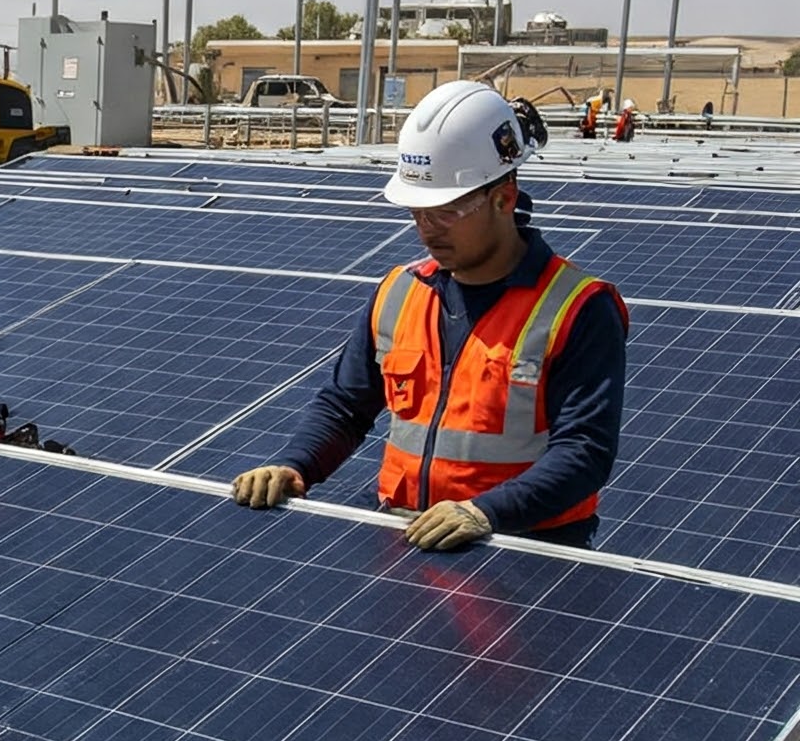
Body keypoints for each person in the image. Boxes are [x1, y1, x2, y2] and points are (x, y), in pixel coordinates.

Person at [230, 80, 628, 552]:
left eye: (445, 212)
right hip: (408, 539)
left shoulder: (577, 308)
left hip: (521, 551)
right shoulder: (400, 292)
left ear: (503, 198)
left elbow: (585, 451)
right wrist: (296, 465)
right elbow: (346, 406)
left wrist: (486, 512)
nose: (426, 230)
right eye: (417, 212)